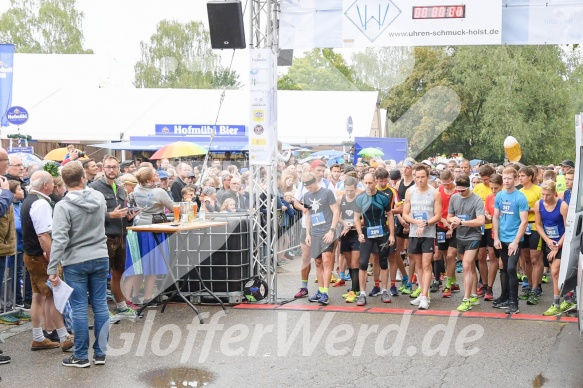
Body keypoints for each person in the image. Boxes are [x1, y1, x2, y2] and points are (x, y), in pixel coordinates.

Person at [47, 161, 110, 367]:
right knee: (100, 305)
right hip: (100, 255)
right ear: (83, 178)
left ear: (64, 183)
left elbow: (60, 239)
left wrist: (52, 268)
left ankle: (81, 356)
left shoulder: (63, 206)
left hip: (75, 260)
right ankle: (100, 353)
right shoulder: (99, 198)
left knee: (80, 308)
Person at [21, 171, 73, 351]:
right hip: (41, 256)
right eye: (51, 182)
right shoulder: (41, 203)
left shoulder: (29, 200)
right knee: (52, 295)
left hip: (31, 255)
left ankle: (38, 337)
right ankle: (63, 336)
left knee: (38, 296)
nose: (54, 185)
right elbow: (43, 235)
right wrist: (53, 259)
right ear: (45, 185)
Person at [89, 155, 138, 320]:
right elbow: (89, 214)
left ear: (119, 169)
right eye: (108, 167)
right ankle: (102, 311)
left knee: (119, 272)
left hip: (121, 235)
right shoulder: (94, 188)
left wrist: (130, 216)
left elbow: (123, 211)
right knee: (102, 275)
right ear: (102, 168)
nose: (111, 170)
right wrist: (111, 215)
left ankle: (121, 307)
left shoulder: (121, 187)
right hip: (105, 237)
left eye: (114, 167)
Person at [130, 167, 175, 304]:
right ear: (149, 179)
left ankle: (135, 295)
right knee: (153, 264)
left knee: (140, 264)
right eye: (155, 174)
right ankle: (148, 297)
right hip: (155, 227)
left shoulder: (136, 189)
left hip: (139, 228)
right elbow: (173, 207)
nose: (158, 175)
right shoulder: (159, 192)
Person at [402, 163, 441, 310]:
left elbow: (438, 215)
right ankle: (423, 292)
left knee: (426, 264)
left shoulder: (434, 193)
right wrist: (415, 222)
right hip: (414, 232)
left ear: (428, 176)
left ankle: (425, 296)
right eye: (417, 177)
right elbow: (405, 213)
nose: (420, 180)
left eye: (422, 177)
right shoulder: (410, 192)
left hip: (428, 233)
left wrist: (425, 223)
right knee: (418, 265)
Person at [354, 173, 395, 306]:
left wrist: (392, 234)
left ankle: (384, 290)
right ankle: (362, 293)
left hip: (382, 232)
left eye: (370, 183)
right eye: (365, 183)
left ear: (375, 182)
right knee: (363, 263)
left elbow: (389, 215)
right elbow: (356, 218)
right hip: (367, 233)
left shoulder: (383, 197)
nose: (367, 185)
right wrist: (359, 233)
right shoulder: (360, 198)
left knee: (383, 262)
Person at [492, 167, 529, 314]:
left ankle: (514, 302)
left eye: (509, 178)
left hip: (515, 239)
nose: (506, 181)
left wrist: (516, 241)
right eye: (504, 178)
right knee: (505, 269)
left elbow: (524, 221)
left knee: (512, 268)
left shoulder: (520, 197)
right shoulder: (499, 195)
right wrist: (496, 237)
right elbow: (495, 216)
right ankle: (504, 296)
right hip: (502, 237)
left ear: (515, 180)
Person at [447, 174, 485, 312]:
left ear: (469, 187)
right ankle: (474, 294)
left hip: (473, 236)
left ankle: (466, 299)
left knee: (466, 265)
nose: (460, 193)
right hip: (460, 236)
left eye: (463, 190)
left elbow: (481, 220)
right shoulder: (454, 197)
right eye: (458, 190)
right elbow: (449, 216)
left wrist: (462, 222)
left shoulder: (477, 199)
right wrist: (452, 222)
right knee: (470, 266)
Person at [535, 181, 572, 316]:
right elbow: (538, 225)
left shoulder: (562, 206)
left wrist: (557, 246)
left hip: (562, 241)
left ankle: (556, 303)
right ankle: (567, 300)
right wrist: (548, 240)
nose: (545, 198)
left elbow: (568, 227)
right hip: (549, 241)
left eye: (548, 195)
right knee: (555, 273)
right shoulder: (539, 204)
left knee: (555, 272)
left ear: (554, 193)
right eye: (543, 194)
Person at [303, 172, 339, 305]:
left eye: (311, 187)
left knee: (326, 260)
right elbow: (308, 215)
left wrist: (332, 230)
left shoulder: (327, 192)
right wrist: (308, 233)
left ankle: (325, 293)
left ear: (315, 182)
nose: (309, 190)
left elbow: (336, 211)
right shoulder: (306, 196)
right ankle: (320, 290)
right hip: (315, 232)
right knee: (318, 262)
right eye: (307, 188)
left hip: (327, 231)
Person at [518, 166, 543, 305]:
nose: (520, 178)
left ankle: (536, 288)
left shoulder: (538, 190)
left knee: (535, 258)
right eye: (519, 176)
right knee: (526, 258)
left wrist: (530, 209)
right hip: (523, 226)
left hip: (535, 226)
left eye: (522, 176)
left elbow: (544, 206)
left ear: (530, 177)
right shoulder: (519, 192)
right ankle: (528, 284)